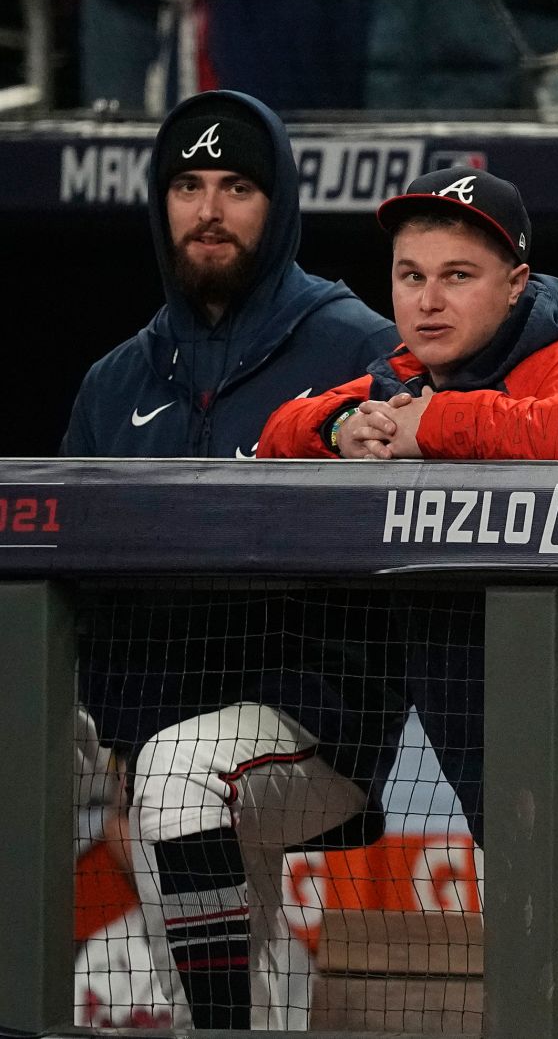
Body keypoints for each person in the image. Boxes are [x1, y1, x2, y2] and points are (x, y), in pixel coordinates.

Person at [258, 166, 558, 1037]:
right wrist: (340, 428)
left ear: (516, 282)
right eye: (411, 276)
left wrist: (436, 427)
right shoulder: (403, 374)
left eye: (459, 275)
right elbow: (279, 434)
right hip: (528, 797)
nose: (429, 299)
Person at [60, 90, 406, 1030]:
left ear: (280, 202)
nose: (208, 209)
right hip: (162, 729)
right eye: (188, 185)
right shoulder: (119, 380)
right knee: (234, 952)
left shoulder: (358, 346)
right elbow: (82, 590)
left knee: (181, 775)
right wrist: (119, 744)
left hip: (319, 717)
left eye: (237, 186)